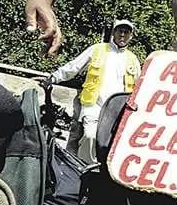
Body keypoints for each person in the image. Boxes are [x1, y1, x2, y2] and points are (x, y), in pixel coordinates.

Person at [42, 20, 141, 163]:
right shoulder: (98, 49)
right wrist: (52, 78)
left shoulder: (133, 59)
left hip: (117, 111)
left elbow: (139, 86)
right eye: (120, 31)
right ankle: (83, 167)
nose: (122, 35)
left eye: (127, 32)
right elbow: (73, 67)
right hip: (93, 104)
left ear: (131, 36)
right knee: (90, 136)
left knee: (110, 143)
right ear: (113, 32)